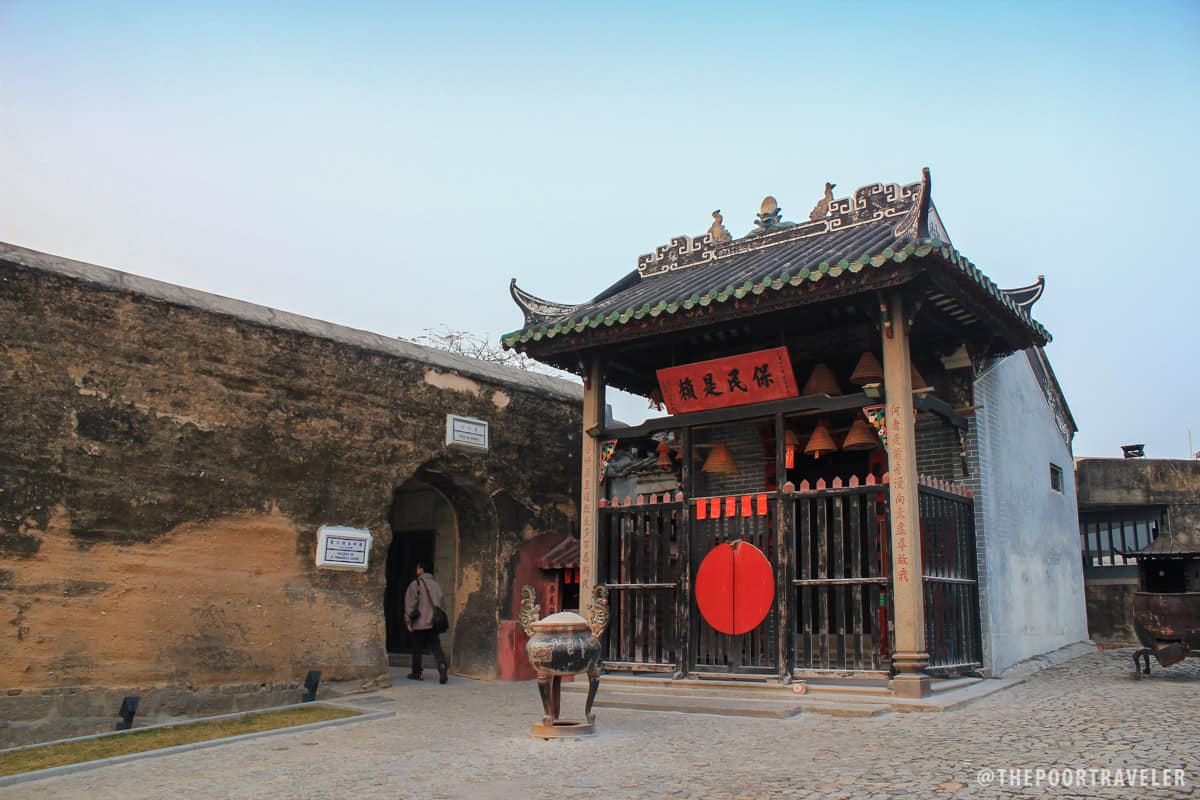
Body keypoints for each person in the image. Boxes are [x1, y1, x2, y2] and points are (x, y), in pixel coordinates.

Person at [404, 562, 448, 684]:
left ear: (421, 570)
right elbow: (442, 603)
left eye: (418, 567)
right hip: (433, 622)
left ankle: (416, 672)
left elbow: (410, 604)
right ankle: (442, 667)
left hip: (419, 623)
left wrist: (408, 621)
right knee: (436, 647)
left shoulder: (415, 584)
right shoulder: (436, 585)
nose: (416, 569)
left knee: (417, 648)